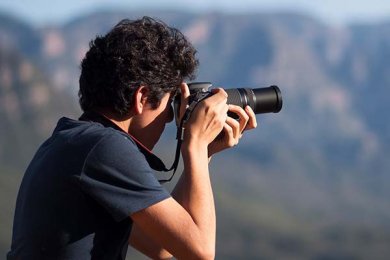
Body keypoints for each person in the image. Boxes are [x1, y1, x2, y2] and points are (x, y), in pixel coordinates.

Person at [8, 16, 257, 259]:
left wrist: (204, 153)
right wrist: (195, 144)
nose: (170, 120)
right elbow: (199, 252)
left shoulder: (71, 142)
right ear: (141, 98)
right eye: (169, 107)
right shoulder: (106, 147)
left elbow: (163, 246)